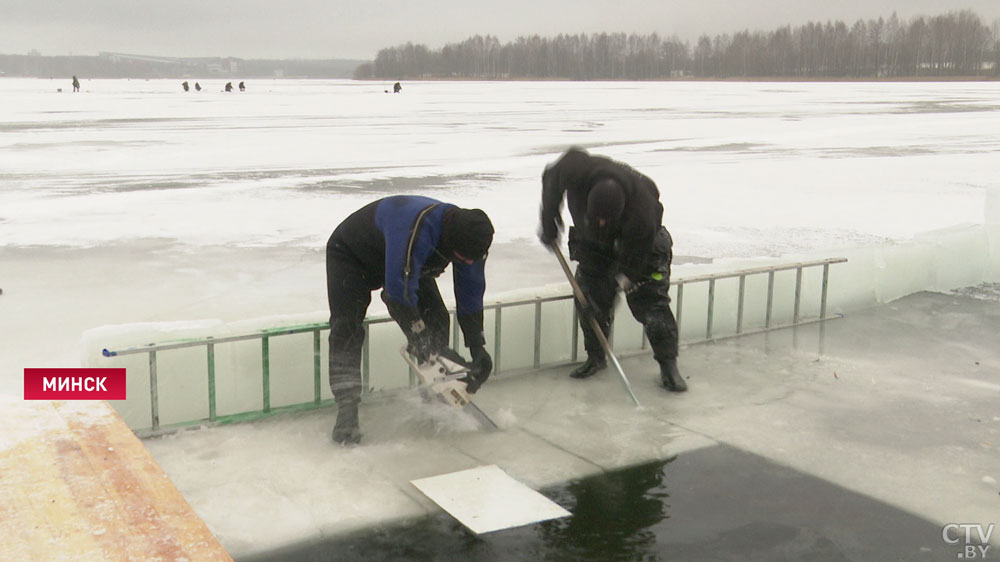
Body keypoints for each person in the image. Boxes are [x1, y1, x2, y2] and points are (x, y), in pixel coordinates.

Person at [326, 195, 495, 444]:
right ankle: (347, 408)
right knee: (347, 328)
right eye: (462, 259)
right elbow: (396, 296)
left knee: (436, 319)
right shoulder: (416, 231)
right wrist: (429, 346)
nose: (468, 263)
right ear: (449, 242)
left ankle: (435, 392)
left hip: (402, 258)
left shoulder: (470, 238)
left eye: (472, 259)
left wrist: (477, 345)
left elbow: (471, 290)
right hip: (352, 255)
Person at [538, 147, 686, 392]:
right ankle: (596, 357)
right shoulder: (575, 168)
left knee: (650, 303)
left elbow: (631, 267)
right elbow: (551, 179)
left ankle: (668, 365)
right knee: (588, 299)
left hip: (639, 250)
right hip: (593, 244)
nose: (602, 223)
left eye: (607, 220)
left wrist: (612, 287)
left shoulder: (642, 213)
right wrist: (549, 218)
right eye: (597, 218)